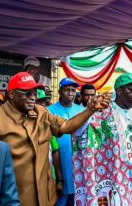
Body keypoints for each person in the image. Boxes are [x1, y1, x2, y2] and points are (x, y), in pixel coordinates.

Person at [0, 72, 111, 206]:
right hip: (16, 199)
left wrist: (90, 109)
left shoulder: (41, 112)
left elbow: (66, 126)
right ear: (11, 94)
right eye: (27, 93)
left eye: (35, 93)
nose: (33, 97)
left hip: (45, 197)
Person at [72, 73, 132, 205]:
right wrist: (91, 110)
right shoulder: (104, 112)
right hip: (115, 175)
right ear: (119, 91)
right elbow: (82, 133)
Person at [47, 78, 85, 206]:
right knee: (60, 197)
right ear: (59, 92)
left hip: (78, 159)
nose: (70, 93)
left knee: (78, 195)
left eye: (73, 90)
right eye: (67, 90)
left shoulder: (81, 111)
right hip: (59, 159)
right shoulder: (49, 111)